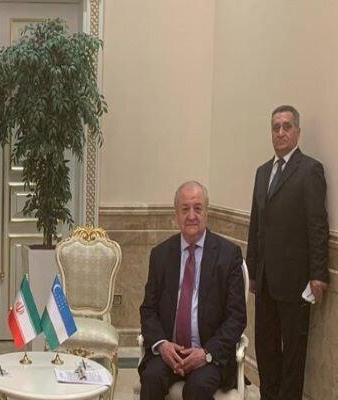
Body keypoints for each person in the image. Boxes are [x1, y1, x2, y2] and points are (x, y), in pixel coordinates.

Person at [247, 105, 329, 400]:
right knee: (266, 350)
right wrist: (252, 270)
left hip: (296, 283)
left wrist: (318, 274)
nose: (280, 132)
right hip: (265, 281)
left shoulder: (310, 170)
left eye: (286, 126)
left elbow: (317, 225)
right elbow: (256, 225)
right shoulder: (262, 173)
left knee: (293, 354)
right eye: (275, 127)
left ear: (297, 132)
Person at [139, 181, 246, 400]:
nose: (191, 216)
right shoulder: (160, 255)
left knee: (197, 388)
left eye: (198, 208)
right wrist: (162, 345)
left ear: (207, 212)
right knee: (151, 377)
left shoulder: (228, 255)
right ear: (176, 214)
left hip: (208, 355)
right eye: (185, 209)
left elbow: (236, 317)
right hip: (170, 352)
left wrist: (206, 353)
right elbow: (148, 310)